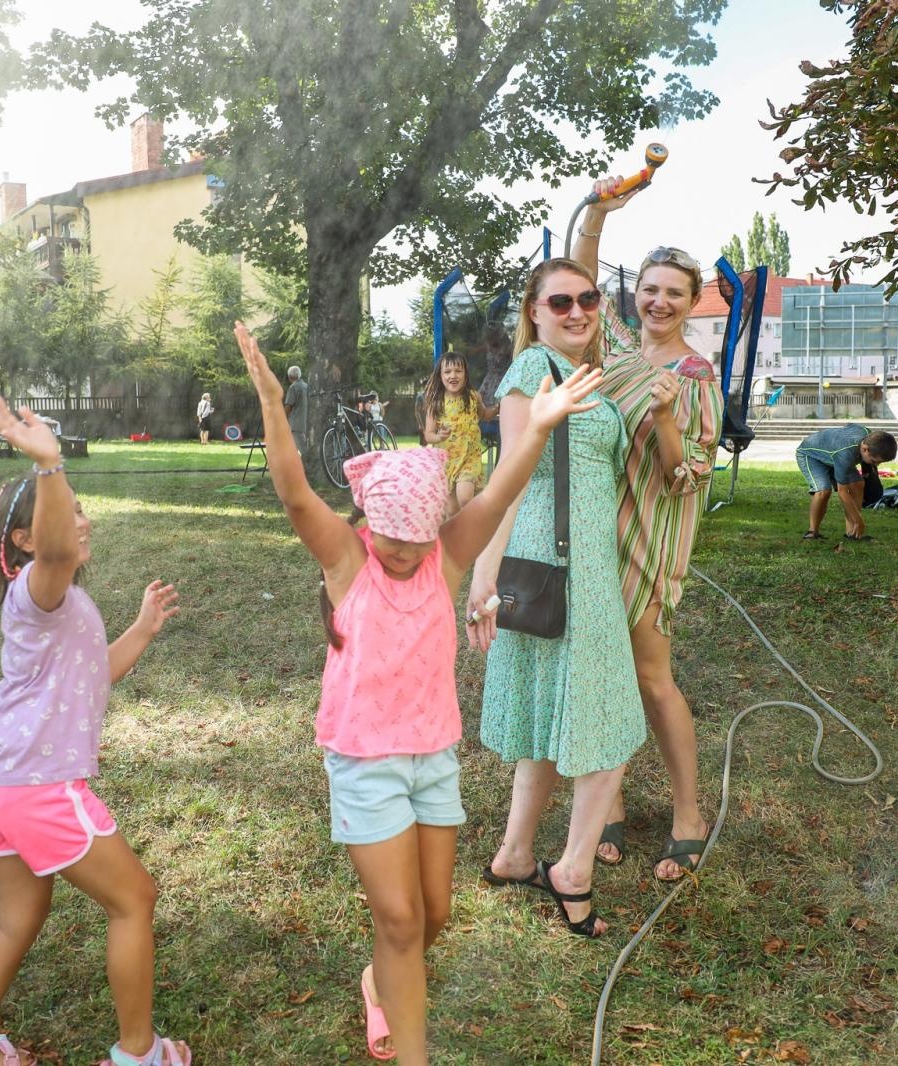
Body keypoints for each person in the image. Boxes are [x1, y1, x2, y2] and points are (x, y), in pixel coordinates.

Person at [234, 321, 603, 1062]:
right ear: (367, 520)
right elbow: (294, 490)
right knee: (400, 920)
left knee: (432, 915)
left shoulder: (444, 558)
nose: (401, 550)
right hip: (365, 762)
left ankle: (382, 982)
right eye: (389, 534)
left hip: (433, 758)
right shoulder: (348, 560)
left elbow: (499, 491)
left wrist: (542, 422)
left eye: (415, 535)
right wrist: (275, 405)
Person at [0, 399, 187, 1066]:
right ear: (24, 541)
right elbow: (53, 545)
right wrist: (49, 466)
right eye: (66, 510)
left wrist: (141, 628)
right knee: (135, 900)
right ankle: (142, 1054)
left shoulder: (65, 600)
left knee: (17, 920)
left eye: (79, 506)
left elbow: (91, 678)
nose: (80, 519)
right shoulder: (37, 587)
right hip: (34, 784)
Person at [467, 258, 644, 937]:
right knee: (611, 728)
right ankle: (571, 871)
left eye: (589, 299)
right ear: (534, 312)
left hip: (585, 569)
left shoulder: (586, 371)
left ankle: (514, 856)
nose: (578, 310)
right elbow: (506, 481)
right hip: (555, 568)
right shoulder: (532, 371)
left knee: (547, 719)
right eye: (561, 301)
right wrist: (483, 577)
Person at [571, 182, 721, 881]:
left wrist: (664, 416)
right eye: (651, 289)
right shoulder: (619, 347)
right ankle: (613, 803)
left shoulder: (695, 374)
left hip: (652, 537)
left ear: (694, 303)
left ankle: (689, 812)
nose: (659, 301)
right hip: (597, 530)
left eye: (675, 293)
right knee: (601, 670)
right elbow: (583, 266)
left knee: (651, 677)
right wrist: (598, 214)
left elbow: (687, 474)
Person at [794, 425, 898, 540]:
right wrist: (859, 520)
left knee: (858, 484)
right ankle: (812, 532)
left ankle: (852, 533)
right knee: (823, 491)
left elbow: (851, 426)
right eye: (874, 461)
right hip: (811, 456)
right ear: (864, 449)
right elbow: (842, 492)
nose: (876, 465)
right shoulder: (845, 454)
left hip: (834, 455)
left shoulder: (868, 436)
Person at [421, 351, 487, 515]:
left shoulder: (474, 397)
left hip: (469, 458)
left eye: (458, 371)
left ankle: (475, 526)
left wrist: (500, 408)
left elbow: (483, 414)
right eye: (447, 372)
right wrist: (439, 436)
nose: (453, 375)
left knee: (465, 498)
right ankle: (455, 538)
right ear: (440, 376)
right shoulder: (435, 402)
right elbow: (428, 434)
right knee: (451, 511)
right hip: (446, 462)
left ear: (465, 374)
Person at [284, 365, 309, 454]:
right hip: (306, 424)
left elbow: (288, 406)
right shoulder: (306, 386)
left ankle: (308, 467)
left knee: (305, 453)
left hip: (296, 425)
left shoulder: (293, 387)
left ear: (290, 376)